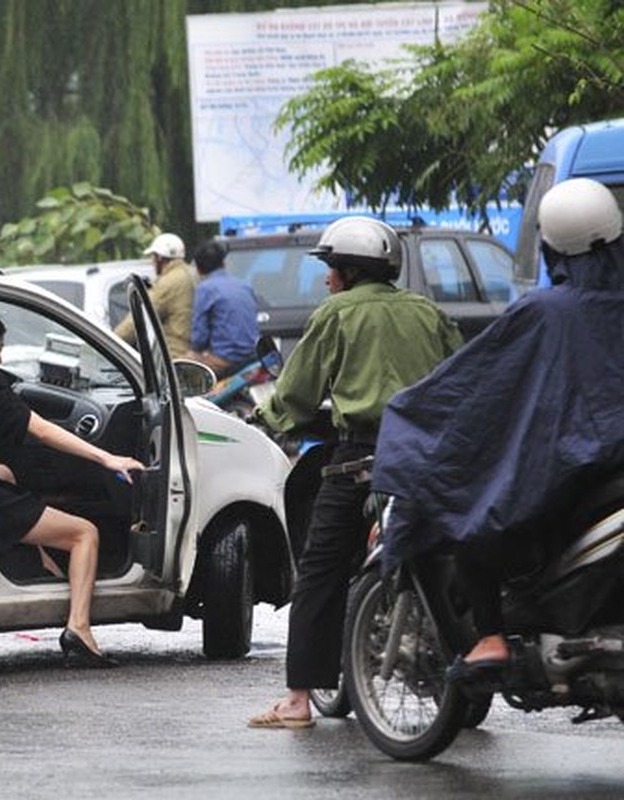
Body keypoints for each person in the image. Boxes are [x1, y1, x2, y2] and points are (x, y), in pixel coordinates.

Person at [373, 178, 624, 686]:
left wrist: (411, 415)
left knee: (476, 512)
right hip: (607, 468)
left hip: (575, 468)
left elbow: (473, 389)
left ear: (551, 244)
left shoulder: (546, 311)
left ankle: (490, 636)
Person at [245, 216, 463, 729]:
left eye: (330, 268)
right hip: (427, 460)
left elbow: (297, 396)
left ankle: (298, 701)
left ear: (347, 270)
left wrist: (266, 417)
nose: (326, 278)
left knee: (319, 570)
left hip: (361, 459)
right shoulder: (427, 311)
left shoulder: (336, 314)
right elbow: (460, 376)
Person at [0, 307, 145, 667]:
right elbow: (42, 430)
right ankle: (79, 629)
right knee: (85, 533)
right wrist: (106, 458)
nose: (1, 357)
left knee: (16, 489)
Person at [114, 232, 195, 358]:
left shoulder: (169, 282)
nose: (152, 262)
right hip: (193, 354)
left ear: (160, 258)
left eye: (153, 257)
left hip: (175, 356)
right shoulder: (192, 274)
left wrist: (114, 342)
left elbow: (139, 318)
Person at [187, 237, 260, 379]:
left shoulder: (205, 289)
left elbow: (199, 339)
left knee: (179, 368)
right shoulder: (245, 286)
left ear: (198, 268)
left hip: (224, 360)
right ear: (224, 263)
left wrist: (196, 350)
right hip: (251, 357)